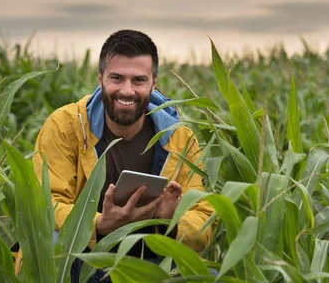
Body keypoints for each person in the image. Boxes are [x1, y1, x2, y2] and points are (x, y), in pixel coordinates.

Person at [32, 29, 213, 280]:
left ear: (154, 82)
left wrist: (170, 223)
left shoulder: (179, 138)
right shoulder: (65, 127)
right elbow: (46, 204)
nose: (126, 91)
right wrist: (98, 225)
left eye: (138, 80)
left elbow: (203, 219)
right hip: (87, 256)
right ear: (100, 78)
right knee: (53, 245)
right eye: (117, 78)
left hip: (153, 257)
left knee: (209, 275)